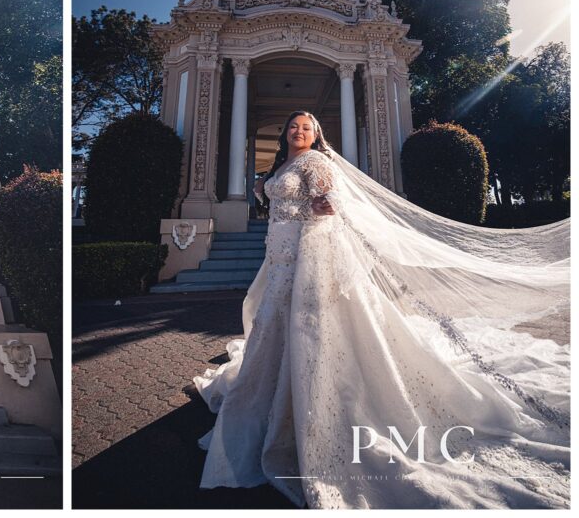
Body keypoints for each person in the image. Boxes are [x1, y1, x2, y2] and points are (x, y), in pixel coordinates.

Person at [194, 111, 570, 508]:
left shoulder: (317, 162)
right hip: (279, 258)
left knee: (307, 331)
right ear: (285, 131)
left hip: (307, 256)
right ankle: (271, 398)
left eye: (307, 127)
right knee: (272, 329)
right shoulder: (283, 164)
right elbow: (278, 200)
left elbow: (329, 201)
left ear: (316, 134)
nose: (299, 131)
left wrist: (324, 206)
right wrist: (261, 187)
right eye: (293, 126)